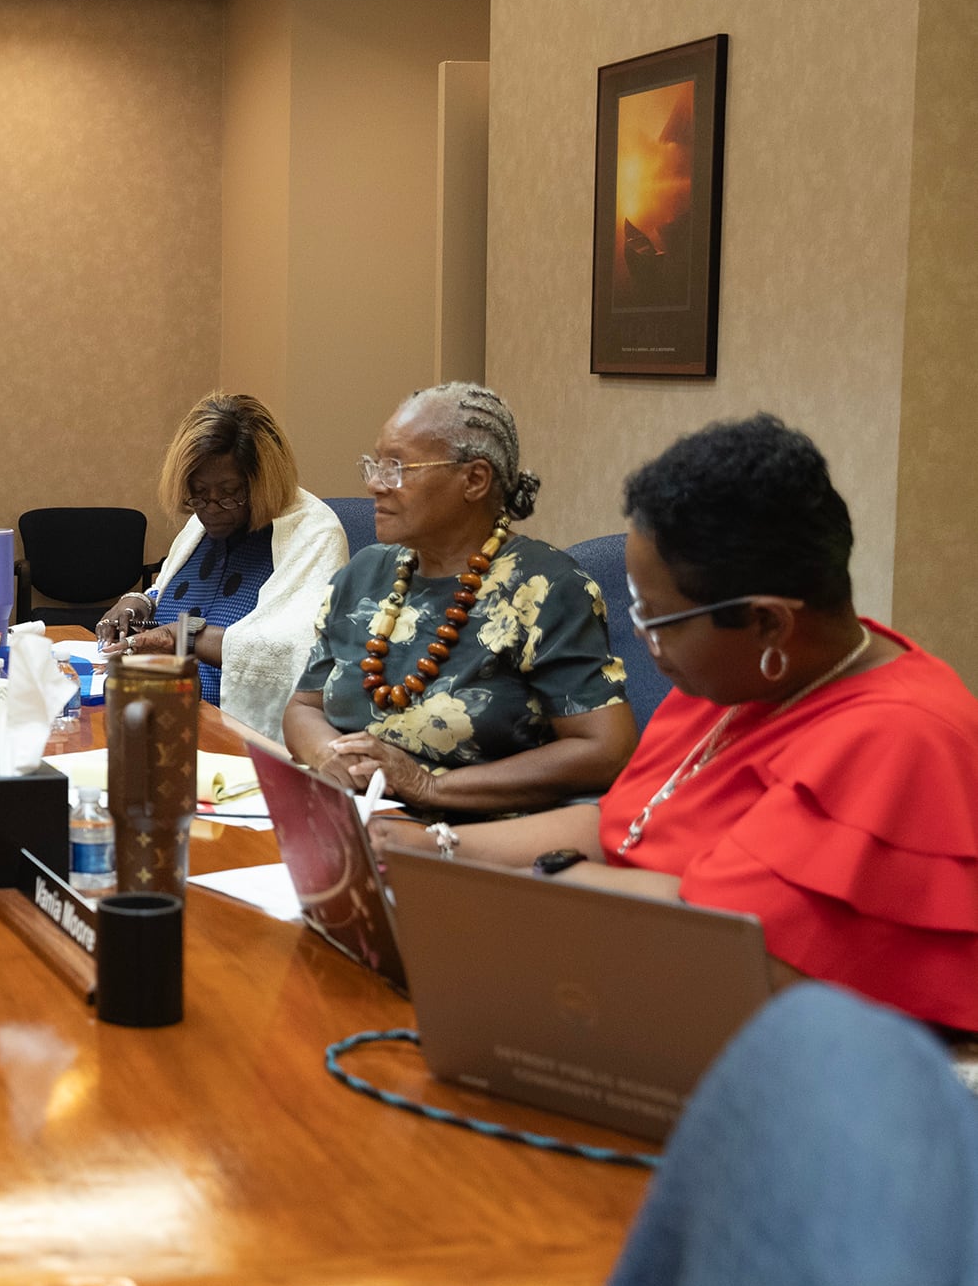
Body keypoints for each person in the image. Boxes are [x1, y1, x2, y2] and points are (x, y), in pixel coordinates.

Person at [375, 416, 978, 1032]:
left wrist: (543, 881)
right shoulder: (749, 674)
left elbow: (724, 943)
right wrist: (429, 848)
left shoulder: (898, 738)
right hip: (633, 971)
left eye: (659, 618)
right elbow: (623, 824)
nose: (641, 634)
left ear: (769, 622)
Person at [283, 382, 635, 816]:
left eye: (397, 467)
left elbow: (605, 750)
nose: (375, 484)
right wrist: (329, 757)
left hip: (471, 839)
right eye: (375, 465)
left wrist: (425, 786)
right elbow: (303, 707)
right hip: (351, 819)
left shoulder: (545, 587)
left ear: (474, 480)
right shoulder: (364, 573)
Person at [95, 392, 348, 740]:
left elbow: (301, 653)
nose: (211, 508)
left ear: (263, 482)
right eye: (197, 494)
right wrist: (137, 602)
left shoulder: (313, 533)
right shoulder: (203, 524)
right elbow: (166, 588)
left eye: (230, 493)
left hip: (234, 737)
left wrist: (184, 636)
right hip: (160, 715)